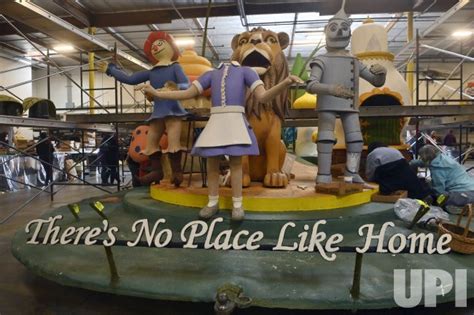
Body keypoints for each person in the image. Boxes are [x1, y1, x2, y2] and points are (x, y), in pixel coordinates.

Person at [136, 62, 302, 221]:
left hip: (236, 119)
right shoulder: (210, 74)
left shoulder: (247, 71)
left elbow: (264, 97)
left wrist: (285, 82)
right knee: (212, 162)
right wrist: (157, 94)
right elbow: (187, 93)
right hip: (216, 120)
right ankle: (212, 201)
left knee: (236, 163)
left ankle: (237, 204)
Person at [305, 0, 386, 184]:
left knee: (356, 140)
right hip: (327, 104)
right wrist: (331, 89)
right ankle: (323, 174)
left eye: (343, 28)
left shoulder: (354, 60)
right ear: (326, 31)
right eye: (334, 28)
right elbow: (310, 85)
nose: (340, 32)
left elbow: (375, 82)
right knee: (325, 137)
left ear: (349, 32)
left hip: (349, 105)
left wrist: (382, 73)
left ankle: (351, 172)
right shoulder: (321, 59)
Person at [99, 31, 189, 187]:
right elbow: (130, 79)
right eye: (153, 46)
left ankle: (176, 172)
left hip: (173, 110)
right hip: (158, 112)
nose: (156, 47)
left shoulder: (175, 67)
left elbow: (186, 85)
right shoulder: (151, 72)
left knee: (174, 143)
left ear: (171, 46)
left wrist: (172, 88)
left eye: (160, 44)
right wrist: (111, 69)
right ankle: (157, 171)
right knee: (151, 142)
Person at [365, 142, 431, 199]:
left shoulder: (372, 154)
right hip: (406, 172)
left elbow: (370, 174)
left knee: (386, 189)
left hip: (389, 176)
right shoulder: (393, 149)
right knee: (413, 187)